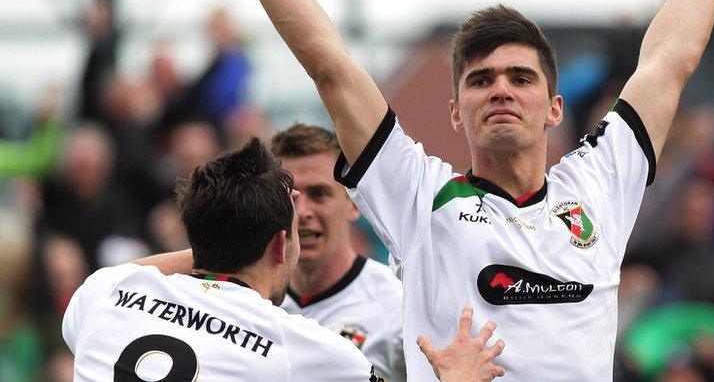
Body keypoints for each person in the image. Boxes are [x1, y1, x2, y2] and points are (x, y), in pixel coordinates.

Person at [180, 0, 714, 378]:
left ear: (554, 108)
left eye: (521, 78)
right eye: (482, 79)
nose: (501, 89)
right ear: (457, 111)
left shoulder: (601, 182)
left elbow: (667, 62)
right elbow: (330, 65)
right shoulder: (417, 197)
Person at [62, 138, 503, 381]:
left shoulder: (108, 293)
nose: (307, 214)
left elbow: (121, 274)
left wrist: (226, 231)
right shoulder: (307, 347)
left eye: (321, 195)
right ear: (280, 244)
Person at [272, 123, 407, 382]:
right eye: (289, 196)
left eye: (319, 194)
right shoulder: (250, 301)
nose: (302, 213)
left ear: (354, 205)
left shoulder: (397, 305)